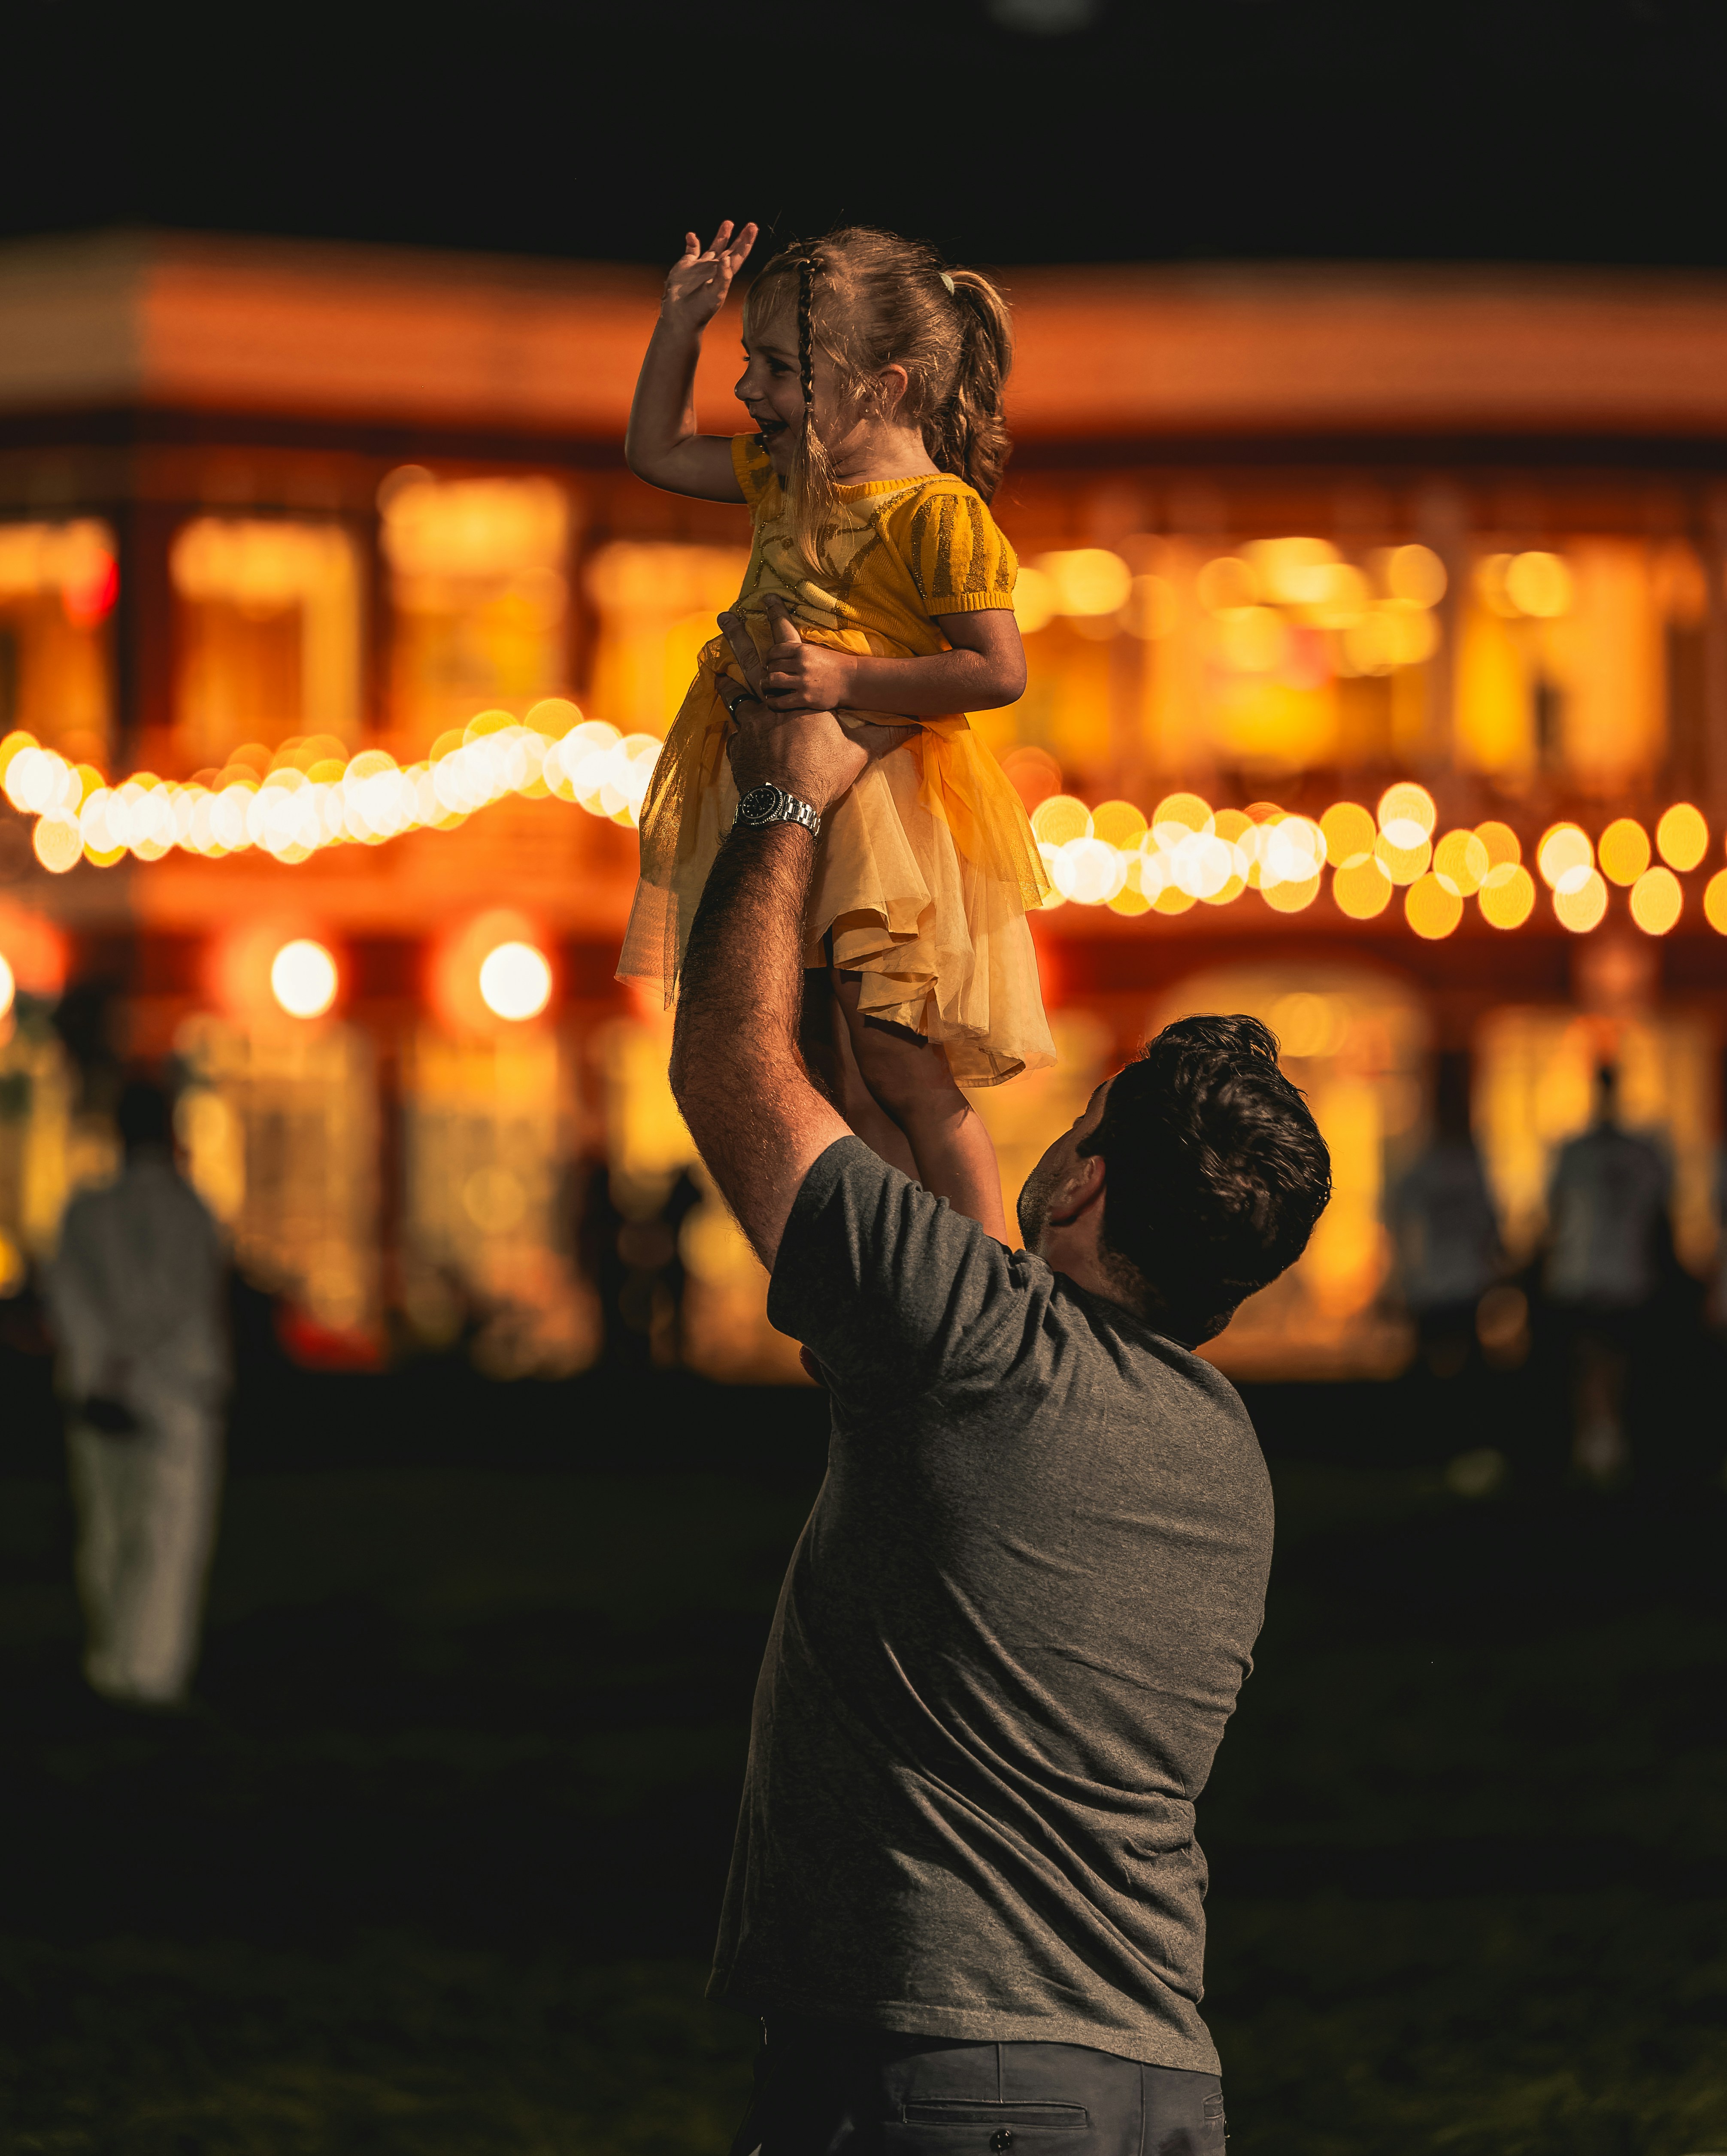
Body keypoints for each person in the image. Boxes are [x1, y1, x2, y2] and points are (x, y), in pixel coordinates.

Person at [668, 695, 1333, 2156]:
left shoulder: (973, 1348)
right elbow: (992, 1336)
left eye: (1078, 1122)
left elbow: (727, 1066)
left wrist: (786, 800)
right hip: (1153, 2076)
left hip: (945, 2076)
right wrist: (934, 1111)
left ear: (1085, 1181)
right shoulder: (1223, 1454)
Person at [620, 217, 1053, 1235]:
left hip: (878, 804)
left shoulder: (933, 514)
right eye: (744, 362)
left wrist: (840, 674)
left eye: (775, 368)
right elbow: (653, 451)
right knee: (820, 1068)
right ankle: (897, 1279)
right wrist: (677, 328)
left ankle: (990, 1268)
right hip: (779, 789)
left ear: (883, 387)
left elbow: (995, 670)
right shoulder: (783, 478)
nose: (747, 391)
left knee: (900, 1064)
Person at [41, 1071, 229, 1708]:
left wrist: (103, 1366)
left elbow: (69, 1299)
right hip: (175, 1395)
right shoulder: (189, 1210)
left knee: (108, 1533)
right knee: (165, 1537)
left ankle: (115, 1663)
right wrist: (140, 1365)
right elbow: (186, 1303)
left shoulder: (86, 1210)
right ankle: (149, 1672)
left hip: (102, 1393)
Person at [1544, 1058, 1672, 1481]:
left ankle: (1602, 1441)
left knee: (1599, 1361)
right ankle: (1602, 1441)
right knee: (1602, 1361)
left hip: (1597, 1274)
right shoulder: (1629, 1152)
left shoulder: (1591, 1152)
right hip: (1606, 1274)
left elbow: (1556, 1215)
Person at [1391, 1051, 1503, 1380]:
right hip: (1465, 1283)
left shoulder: (1425, 1163)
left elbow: (1400, 1220)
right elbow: (1490, 1225)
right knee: (1468, 1372)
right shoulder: (1469, 1163)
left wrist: (1404, 1276)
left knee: (1430, 1372)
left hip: (1433, 1283)